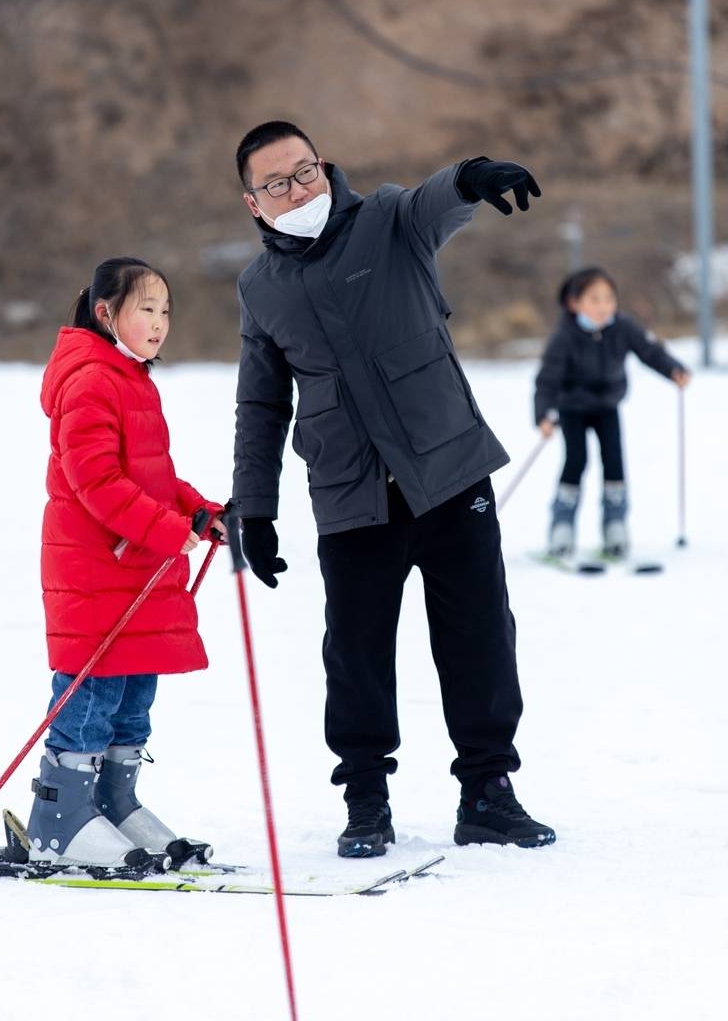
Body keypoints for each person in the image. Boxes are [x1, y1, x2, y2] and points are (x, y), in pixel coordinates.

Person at [231, 119, 556, 858]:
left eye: (305, 170)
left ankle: (487, 793)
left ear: (326, 165)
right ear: (254, 204)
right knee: (356, 652)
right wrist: (257, 507)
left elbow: (436, 200)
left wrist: (474, 174)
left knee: (478, 637)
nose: (298, 188)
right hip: (351, 494)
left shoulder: (386, 220)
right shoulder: (261, 288)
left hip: (447, 471)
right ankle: (366, 801)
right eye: (277, 183)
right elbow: (260, 405)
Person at [27, 257, 225, 871]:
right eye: (147, 308)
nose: (161, 322)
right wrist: (165, 529)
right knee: (93, 691)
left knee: (133, 692)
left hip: (136, 567)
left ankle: (112, 803)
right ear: (107, 312)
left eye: (166, 310)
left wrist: (196, 512)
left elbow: (151, 476)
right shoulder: (91, 379)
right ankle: (59, 821)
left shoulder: (131, 377)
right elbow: (97, 482)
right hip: (97, 572)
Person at [535, 266, 691, 559]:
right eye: (594, 299)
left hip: (607, 406)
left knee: (615, 462)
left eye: (608, 299)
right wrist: (543, 414)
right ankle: (562, 529)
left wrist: (674, 369)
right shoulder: (564, 337)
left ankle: (615, 526)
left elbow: (649, 350)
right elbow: (547, 380)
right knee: (576, 461)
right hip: (573, 409)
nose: (603, 306)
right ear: (574, 303)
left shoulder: (622, 327)